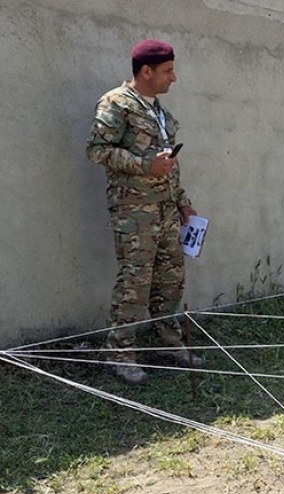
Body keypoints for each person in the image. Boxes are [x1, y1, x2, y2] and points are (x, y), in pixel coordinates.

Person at [86, 39, 202, 384]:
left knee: (170, 281)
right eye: (168, 71)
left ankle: (169, 345)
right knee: (135, 284)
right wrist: (142, 165)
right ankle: (119, 354)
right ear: (146, 71)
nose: (174, 78)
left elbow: (168, 165)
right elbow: (96, 149)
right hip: (134, 213)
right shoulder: (116, 103)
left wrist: (182, 201)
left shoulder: (161, 113)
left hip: (166, 211)